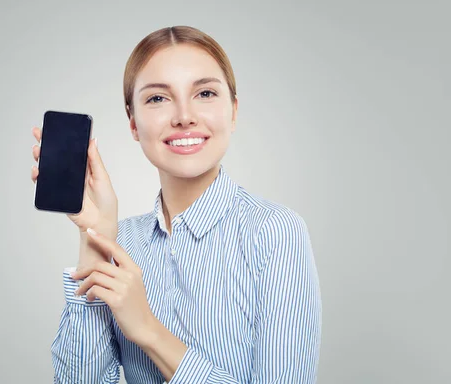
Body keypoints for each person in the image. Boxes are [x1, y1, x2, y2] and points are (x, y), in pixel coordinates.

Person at [30, 25, 322, 384]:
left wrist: (148, 330)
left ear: (233, 110)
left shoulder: (275, 232)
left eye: (205, 93)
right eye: (157, 98)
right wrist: (96, 235)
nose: (184, 116)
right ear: (133, 122)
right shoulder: (123, 243)